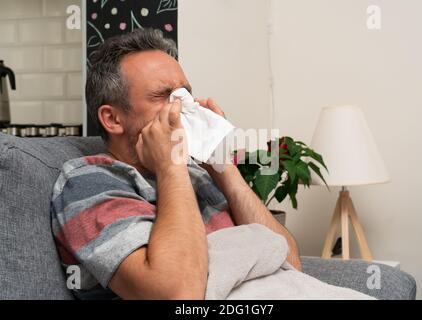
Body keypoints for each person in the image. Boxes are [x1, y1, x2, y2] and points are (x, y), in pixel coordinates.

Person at [51, 28, 300, 300]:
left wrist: (222, 165)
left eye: (186, 94)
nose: (184, 107)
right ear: (112, 119)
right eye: (164, 95)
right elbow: (179, 294)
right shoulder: (88, 183)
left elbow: (289, 263)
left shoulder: (197, 172)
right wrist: (171, 165)